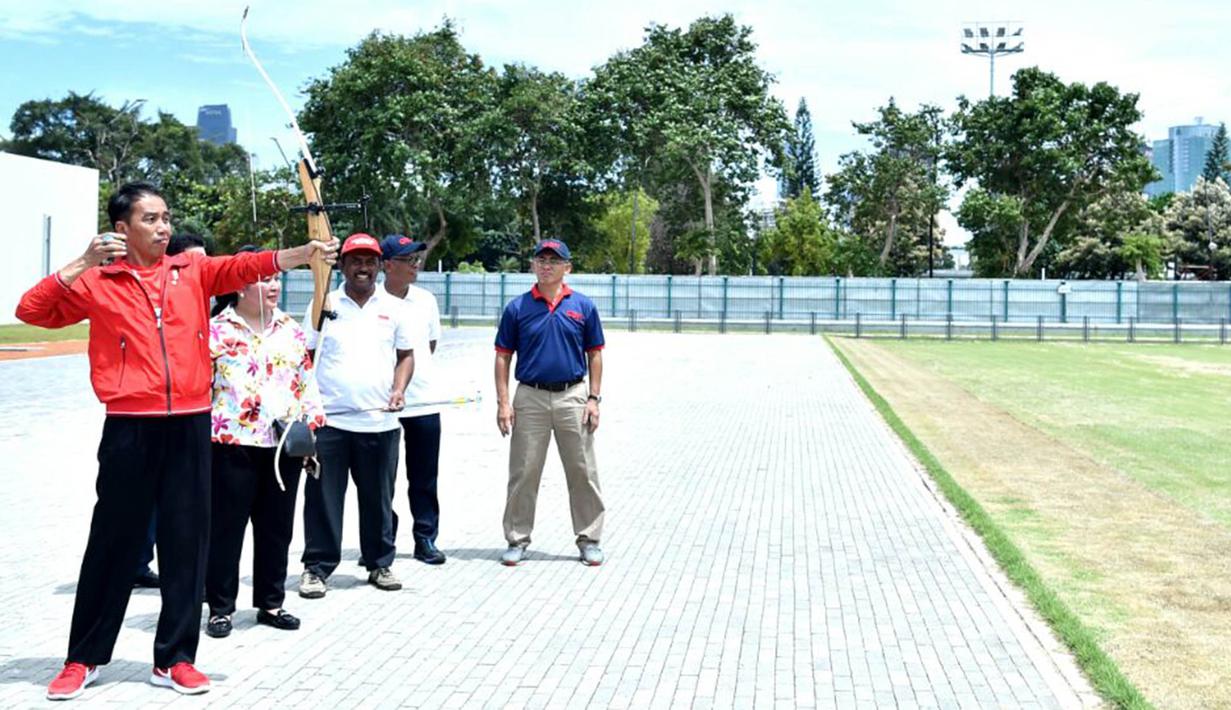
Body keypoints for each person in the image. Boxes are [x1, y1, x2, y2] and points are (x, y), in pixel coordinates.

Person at [16, 181, 337, 700]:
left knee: (187, 544)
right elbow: (32, 310)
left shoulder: (191, 272)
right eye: (151, 219)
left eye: (166, 217)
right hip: (129, 425)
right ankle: (83, 658)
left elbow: (243, 267)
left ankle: (175, 659)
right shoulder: (100, 281)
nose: (163, 227)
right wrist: (79, 261)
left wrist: (302, 254)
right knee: (113, 543)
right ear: (121, 229)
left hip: (191, 424)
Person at [203, 246, 326, 639]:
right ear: (239, 285)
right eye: (263, 278)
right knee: (226, 528)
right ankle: (220, 607)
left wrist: (312, 425)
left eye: (275, 278)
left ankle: (271, 602)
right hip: (231, 443)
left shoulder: (290, 328)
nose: (273, 285)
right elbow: (201, 387)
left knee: (276, 528)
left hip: (282, 443)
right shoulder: (217, 331)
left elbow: (306, 382)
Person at [299, 233, 415, 598]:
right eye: (355, 261)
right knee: (322, 500)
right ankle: (316, 569)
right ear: (342, 265)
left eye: (369, 261)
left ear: (380, 266)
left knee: (378, 498)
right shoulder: (324, 302)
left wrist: (399, 390)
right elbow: (306, 356)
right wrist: (308, 408)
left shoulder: (394, 307)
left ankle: (379, 563)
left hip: (379, 423)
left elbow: (406, 356)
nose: (362, 268)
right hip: (330, 423)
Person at [494, 238, 606, 567]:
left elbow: (595, 354)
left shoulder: (583, 307)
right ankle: (517, 538)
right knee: (524, 471)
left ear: (567, 268)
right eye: (541, 259)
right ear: (533, 265)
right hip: (530, 397)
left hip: (573, 395)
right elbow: (502, 357)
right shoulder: (517, 308)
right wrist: (504, 402)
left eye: (554, 261)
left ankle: (589, 538)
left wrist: (594, 398)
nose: (546, 265)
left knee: (583, 470)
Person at [133, 233, 210, 590]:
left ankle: (184, 577)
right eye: (194, 262)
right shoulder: (158, 305)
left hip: (200, 419)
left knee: (184, 509)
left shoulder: (218, 309)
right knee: (144, 498)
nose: (201, 269)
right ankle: (135, 560)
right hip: (152, 420)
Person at [381, 235, 446, 565]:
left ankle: (425, 538)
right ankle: (383, 537)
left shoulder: (426, 300)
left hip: (424, 401)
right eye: (408, 260)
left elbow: (429, 345)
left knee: (423, 476)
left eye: (416, 259)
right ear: (388, 265)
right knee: (382, 477)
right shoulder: (373, 300)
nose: (415, 265)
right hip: (382, 404)